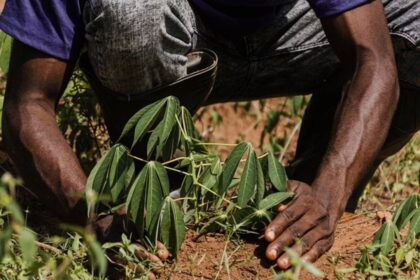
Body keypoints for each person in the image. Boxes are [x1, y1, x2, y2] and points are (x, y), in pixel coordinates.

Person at [0, 0, 419, 272]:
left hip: (291, 35)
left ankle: (299, 198)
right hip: (166, 41)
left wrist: (330, 191)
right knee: (127, 10)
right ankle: (161, 194)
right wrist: (93, 219)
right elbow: (29, 103)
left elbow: (373, 56)